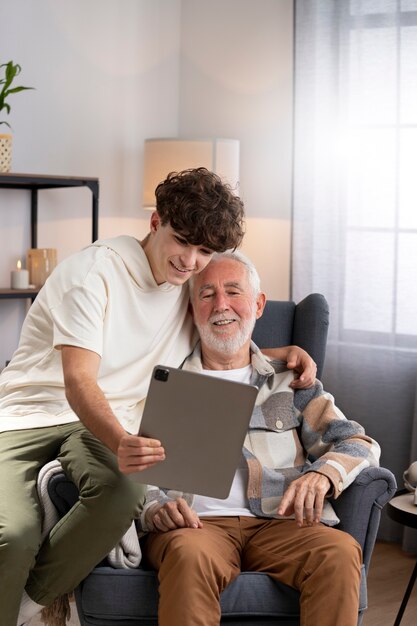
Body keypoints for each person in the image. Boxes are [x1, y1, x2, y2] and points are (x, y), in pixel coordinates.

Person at [0, 168, 316, 626]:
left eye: (204, 251)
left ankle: (28, 604)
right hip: (29, 415)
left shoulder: (187, 288)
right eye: (182, 241)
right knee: (12, 534)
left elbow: (219, 335)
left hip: (110, 419)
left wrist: (278, 352)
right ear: (155, 222)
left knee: (122, 493)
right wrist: (122, 442)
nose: (190, 261)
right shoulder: (92, 273)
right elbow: (80, 383)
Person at [140, 250, 381, 626]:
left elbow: (360, 444)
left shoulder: (292, 381)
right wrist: (154, 507)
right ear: (192, 310)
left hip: (283, 524)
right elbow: (131, 460)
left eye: (233, 292)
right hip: (196, 528)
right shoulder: (164, 381)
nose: (221, 305)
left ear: (258, 304)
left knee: (339, 552)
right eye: (206, 295)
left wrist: (323, 474)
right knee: (188, 556)